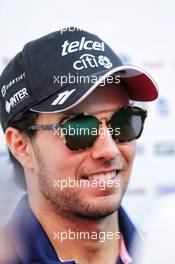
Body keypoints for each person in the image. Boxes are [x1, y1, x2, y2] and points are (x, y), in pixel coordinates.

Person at [0, 27, 158, 264]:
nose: (109, 149)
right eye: (79, 128)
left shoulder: (160, 254)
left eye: (123, 122)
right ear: (22, 146)